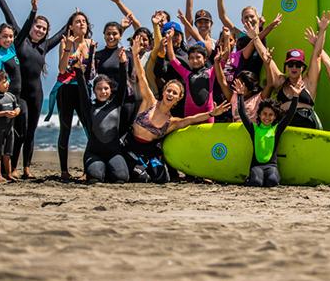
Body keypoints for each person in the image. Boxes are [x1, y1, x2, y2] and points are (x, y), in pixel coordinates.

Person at [0, 0, 63, 179]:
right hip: (19, 94)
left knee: (31, 132)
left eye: (44, 29)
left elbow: (63, 34)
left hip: (37, 94)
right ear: (32, 27)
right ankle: (13, 167)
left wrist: (75, 17)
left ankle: (26, 168)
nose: (40, 30)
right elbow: (7, 15)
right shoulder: (20, 41)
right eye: (38, 26)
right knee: (21, 129)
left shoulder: (44, 46)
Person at [126, 35, 231, 183]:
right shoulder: (151, 101)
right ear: (163, 92)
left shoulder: (210, 72)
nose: (170, 94)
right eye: (168, 91)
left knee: (204, 145)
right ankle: (189, 172)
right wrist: (136, 54)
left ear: (179, 98)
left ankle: (205, 172)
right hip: (132, 146)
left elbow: (224, 60)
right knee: (189, 146)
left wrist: (212, 113)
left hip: (206, 115)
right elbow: (145, 75)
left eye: (174, 93)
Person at [45, 11, 95, 180]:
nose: (81, 24)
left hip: (83, 89)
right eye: (77, 21)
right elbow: (61, 68)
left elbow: (92, 72)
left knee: (89, 129)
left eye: (84, 21)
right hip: (66, 88)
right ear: (71, 26)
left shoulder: (91, 44)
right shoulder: (65, 42)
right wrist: (68, 48)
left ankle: (87, 169)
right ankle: (64, 170)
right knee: (65, 129)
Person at [265, 12, 330, 129]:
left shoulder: (309, 81)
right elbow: (265, 56)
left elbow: (317, 55)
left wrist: (322, 30)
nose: (294, 67)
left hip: (307, 124)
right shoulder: (280, 81)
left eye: (298, 64)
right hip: (284, 125)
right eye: (290, 64)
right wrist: (255, 37)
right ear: (286, 66)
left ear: (303, 67)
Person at [76, 48, 130, 183]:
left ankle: (110, 169)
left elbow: (123, 84)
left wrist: (123, 64)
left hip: (114, 152)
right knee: (95, 178)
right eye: (99, 89)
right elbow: (82, 90)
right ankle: (98, 168)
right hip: (94, 152)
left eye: (106, 88)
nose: (103, 91)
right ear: (94, 91)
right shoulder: (89, 107)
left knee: (121, 178)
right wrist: (78, 70)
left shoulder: (116, 104)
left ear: (111, 90)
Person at [237, 84, 301, 187]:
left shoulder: (276, 129)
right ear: (259, 114)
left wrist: (296, 96)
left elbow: (290, 114)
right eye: (264, 114)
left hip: (271, 166)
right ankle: (250, 178)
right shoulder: (253, 128)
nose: (267, 117)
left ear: (275, 117)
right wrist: (240, 95)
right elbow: (242, 113)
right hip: (256, 166)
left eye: (271, 115)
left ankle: (272, 177)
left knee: (272, 181)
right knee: (256, 183)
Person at [164, 30, 217, 122]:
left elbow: (223, 60)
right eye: (192, 58)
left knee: (209, 136)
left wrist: (227, 37)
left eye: (198, 57)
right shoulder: (187, 74)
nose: (195, 60)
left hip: (208, 111)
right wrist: (169, 40)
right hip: (190, 111)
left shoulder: (212, 72)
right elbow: (172, 59)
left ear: (205, 59)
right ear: (188, 60)